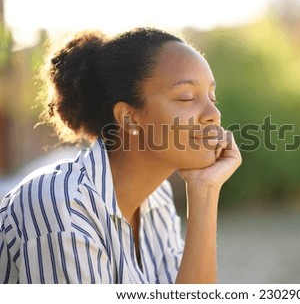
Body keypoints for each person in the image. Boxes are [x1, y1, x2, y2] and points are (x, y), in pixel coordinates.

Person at [0, 28, 242, 283]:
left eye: (211, 97)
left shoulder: (158, 200)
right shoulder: (62, 204)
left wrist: (205, 190)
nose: (213, 113)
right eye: (186, 97)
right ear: (129, 118)